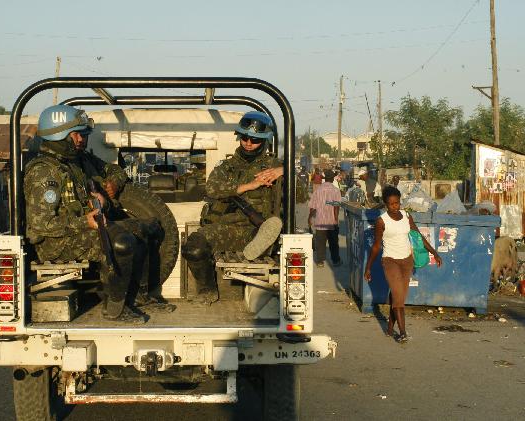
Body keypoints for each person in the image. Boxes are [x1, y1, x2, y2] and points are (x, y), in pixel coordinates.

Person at [24, 104, 172, 323]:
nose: (82, 139)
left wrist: (112, 184)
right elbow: (42, 224)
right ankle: (114, 308)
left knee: (146, 227)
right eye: (77, 135)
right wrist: (84, 222)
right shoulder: (44, 171)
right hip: (56, 241)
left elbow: (114, 170)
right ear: (60, 135)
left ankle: (140, 296)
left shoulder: (78, 161)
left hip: (85, 226)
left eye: (83, 135)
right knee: (121, 243)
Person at [181, 111, 283, 304]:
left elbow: (301, 194)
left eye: (254, 139)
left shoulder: (274, 166)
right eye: (245, 137)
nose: (248, 143)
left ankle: (262, 245)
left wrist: (283, 170)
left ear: (265, 140)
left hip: (257, 229)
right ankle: (207, 291)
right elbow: (212, 188)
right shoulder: (226, 167)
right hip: (227, 229)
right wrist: (248, 186)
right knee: (192, 248)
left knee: (267, 233)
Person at [364, 186, 442, 343]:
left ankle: (389, 327)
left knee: (397, 296)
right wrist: (368, 267)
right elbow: (376, 246)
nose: (395, 206)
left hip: (407, 261)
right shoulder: (382, 221)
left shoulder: (407, 216)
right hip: (390, 261)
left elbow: (418, 236)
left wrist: (434, 252)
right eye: (391, 204)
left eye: (397, 203)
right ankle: (403, 332)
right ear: (386, 204)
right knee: (399, 298)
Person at [308, 169, 342, 267]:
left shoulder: (318, 190)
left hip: (320, 221)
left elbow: (312, 207)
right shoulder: (336, 190)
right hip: (331, 221)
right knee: (334, 243)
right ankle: (336, 261)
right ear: (332, 179)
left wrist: (309, 218)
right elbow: (336, 206)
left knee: (320, 242)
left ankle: (320, 262)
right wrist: (336, 219)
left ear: (324, 179)